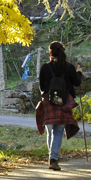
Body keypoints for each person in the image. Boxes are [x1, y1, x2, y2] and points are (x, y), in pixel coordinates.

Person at [35, 41, 82, 171]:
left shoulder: (45, 67)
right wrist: (79, 72)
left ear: (50, 52)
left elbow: (42, 88)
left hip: (48, 102)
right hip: (64, 102)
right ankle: (53, 159)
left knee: (50, 131)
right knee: (58, 132)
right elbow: (77, 83)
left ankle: (52, 158)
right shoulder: (69, 67)